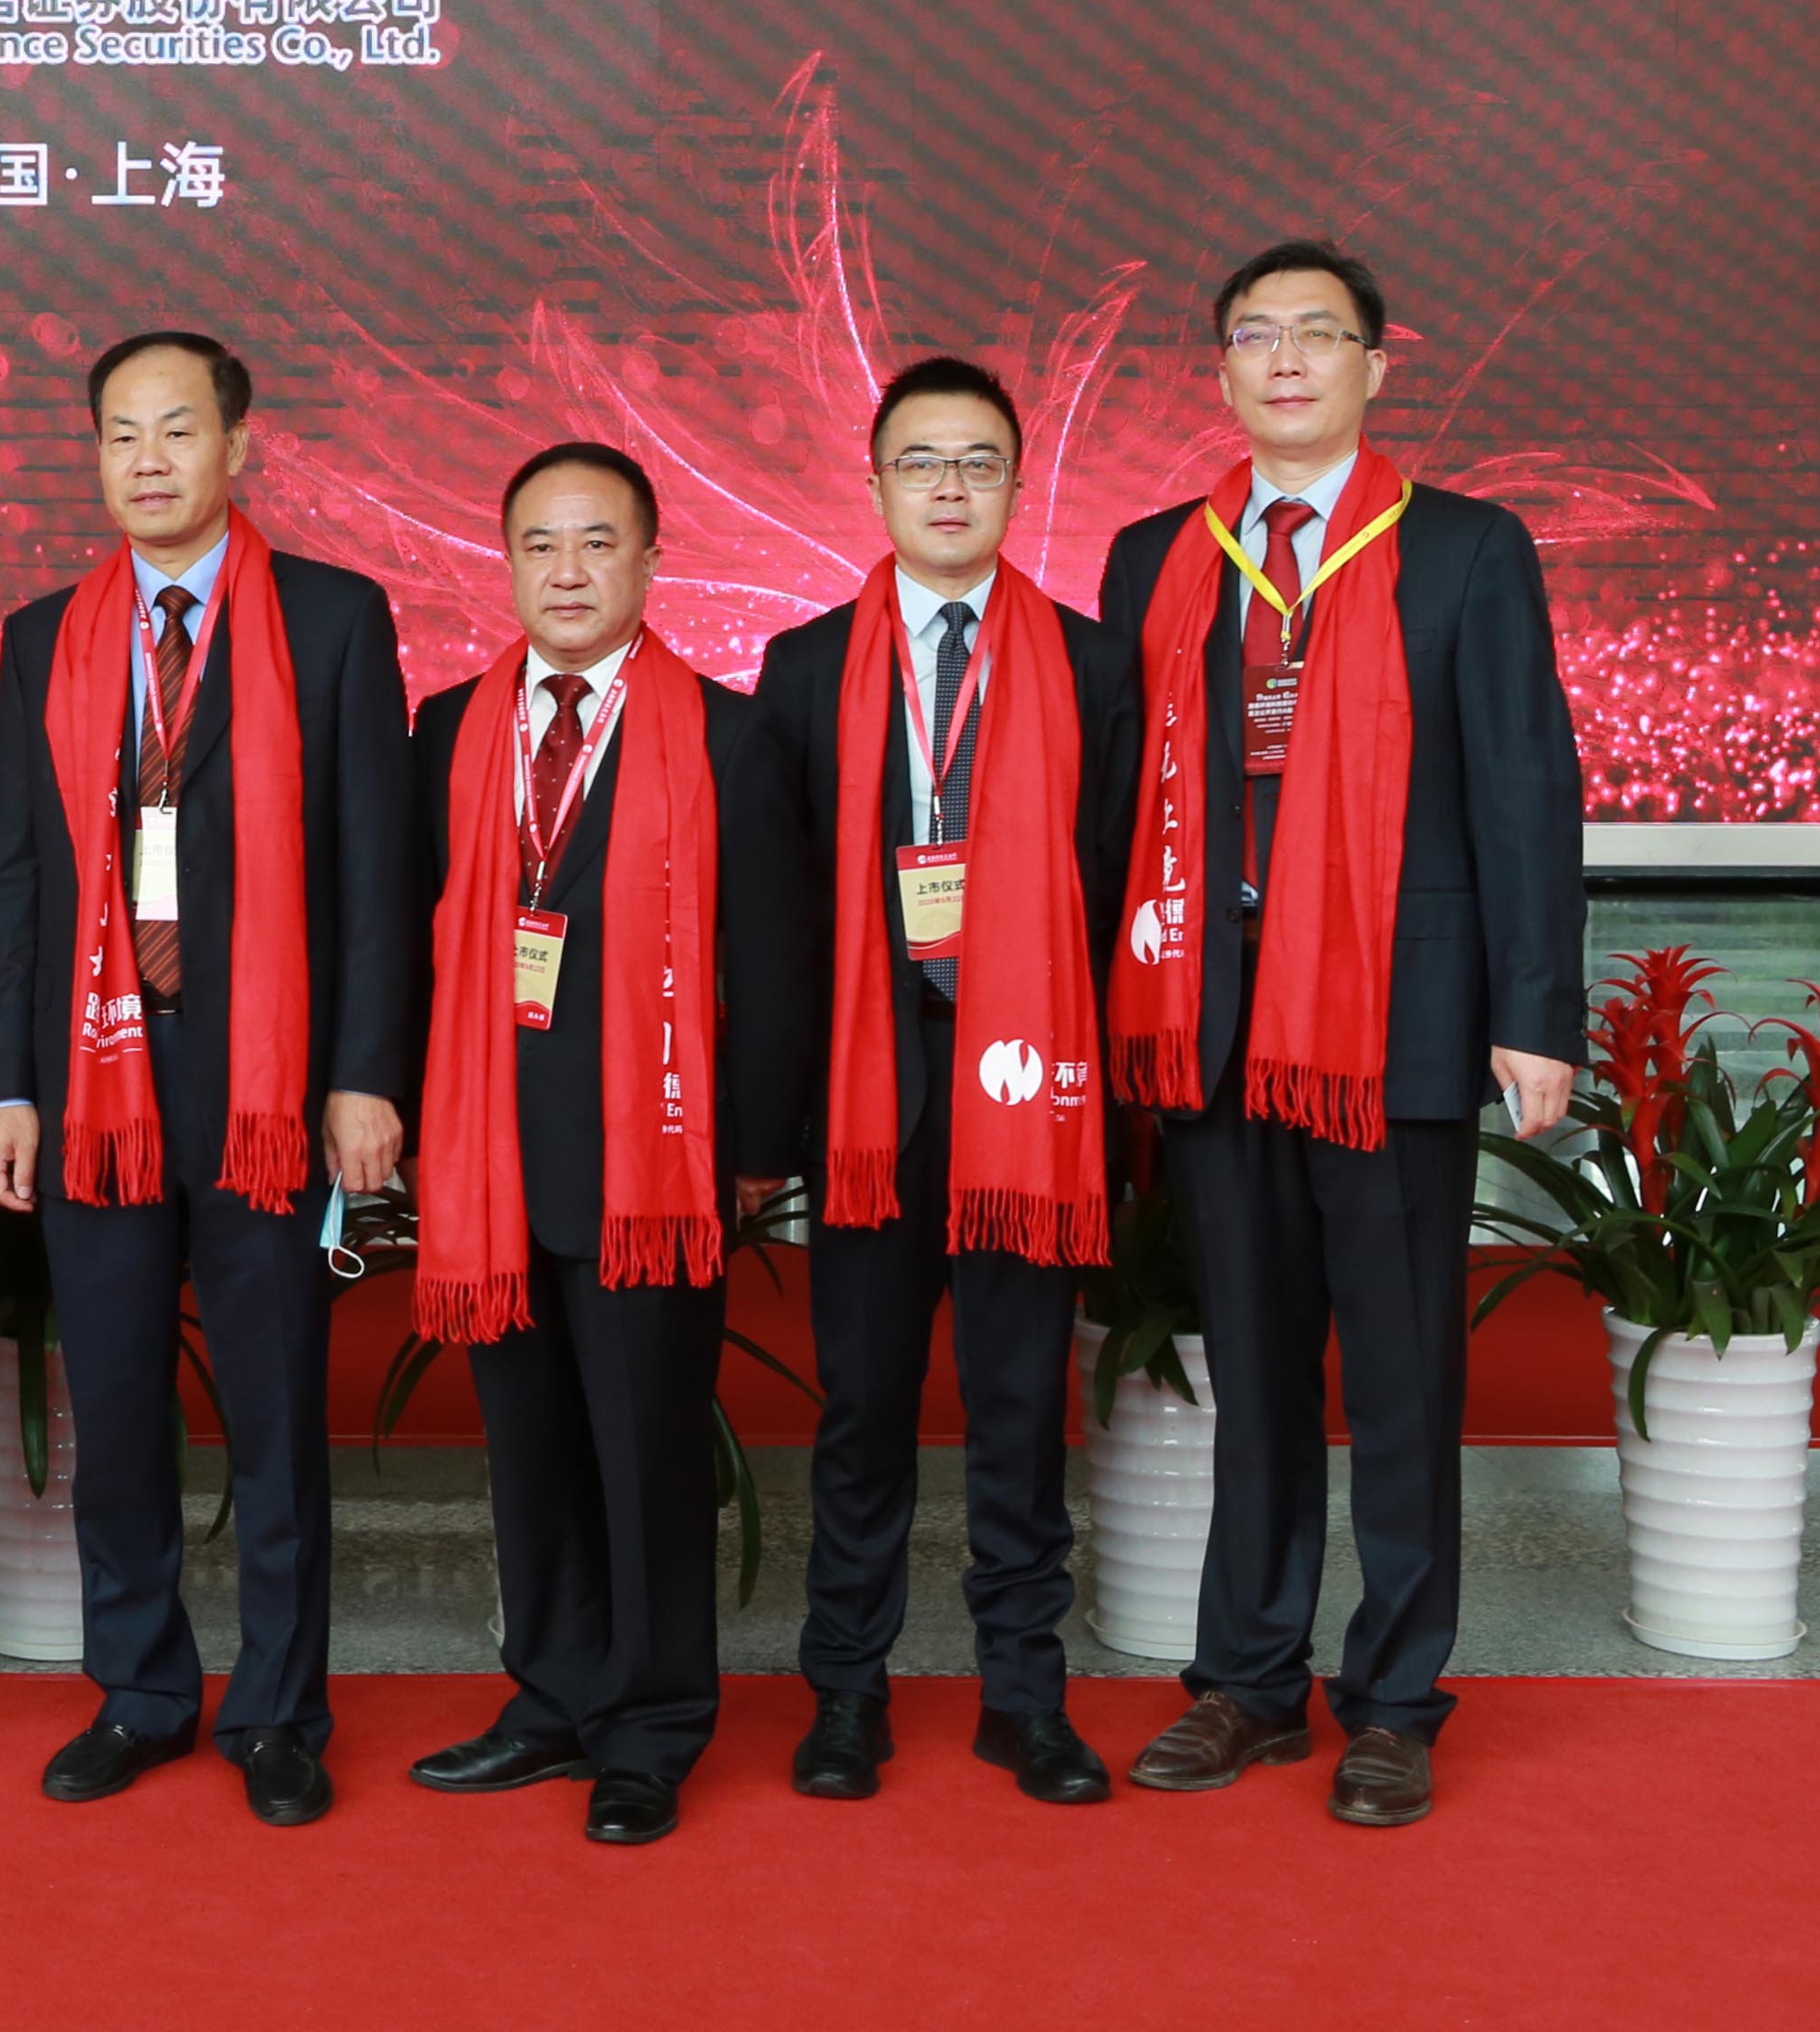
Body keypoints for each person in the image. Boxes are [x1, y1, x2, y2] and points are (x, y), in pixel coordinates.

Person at [1096, 240, 1585, 1831]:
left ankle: (1393, 1701)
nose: (1288, 358)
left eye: (1320, 334)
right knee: (1250, 1368)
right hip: (1213, 1008)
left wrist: (1535, 1015)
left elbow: (1526, 788)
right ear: (1223, 371)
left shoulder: (1463, 550)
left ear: (1377, 364)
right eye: (1258, 334)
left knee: (1401, 1377)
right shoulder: (1156, 559)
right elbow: (1119, 802)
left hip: (1397, 1015)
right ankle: (1247, 1682)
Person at [0, 330, 412, 1827]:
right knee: (113, 1409)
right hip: (94, 1081)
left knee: (274, 1414)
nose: (147, 459)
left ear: (240, 445)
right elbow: (14, 879)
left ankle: (280, 1711)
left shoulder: (334, 620)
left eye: (175, 429)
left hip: (267, 1082)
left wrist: (364, 1073)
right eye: (120, 433)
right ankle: (142, 1692)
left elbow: (375, 866)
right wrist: (8, 1087)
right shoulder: (46, 637)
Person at [400, 442, 813, 1847]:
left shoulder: (728, 741)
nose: (566, 572)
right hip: (490, 1153)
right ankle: (552, 1698)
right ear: (506, 562)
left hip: (654, 1157)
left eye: (596, 544)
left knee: (645, 1456)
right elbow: (409, 936)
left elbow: (773, 961)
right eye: (539, 544)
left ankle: (650, 1725)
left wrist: (750, 1151)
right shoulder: (448, 730)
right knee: (530, 1453)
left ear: (648, 561)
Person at [745, 356, 1131, 1810]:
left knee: (1021, 1404)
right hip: (870, 1091)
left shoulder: (1092, 666)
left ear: (1020, 486)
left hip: (1027, 1082)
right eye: (921, 462)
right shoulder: (801, 670)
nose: (950, 487)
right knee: (864, 1407)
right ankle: (848, 1691)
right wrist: (774, 1118)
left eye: (978, 462)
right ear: (875, 486)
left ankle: (1024, 1697)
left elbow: (1107, 884)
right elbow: (779, 921)